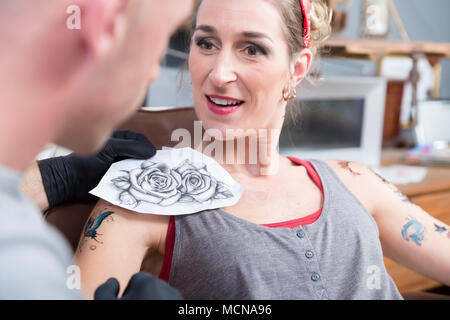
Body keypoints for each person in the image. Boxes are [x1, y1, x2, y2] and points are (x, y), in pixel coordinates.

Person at [74, 0, 450, 299]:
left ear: (296, 70)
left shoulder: (354, 180)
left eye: (251, 49)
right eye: (206, 43)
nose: (219, 73)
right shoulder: (141, 194)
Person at [0, 0, 193, 299]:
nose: (155, 73)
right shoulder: (23, 269)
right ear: (105, 24)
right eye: (163, 39)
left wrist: (50, 180)